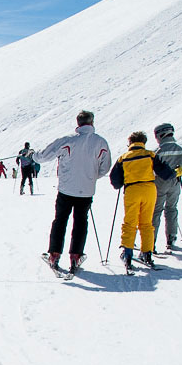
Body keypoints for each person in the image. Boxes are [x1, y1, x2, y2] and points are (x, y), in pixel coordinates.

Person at [32, 110, 112, 274]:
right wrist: (92, 177)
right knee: (81, 221)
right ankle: (75, 256)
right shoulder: (101, 142)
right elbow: (105, 166)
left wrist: (32, 155)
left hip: (66, 189)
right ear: (92, 122)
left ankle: (54, 254)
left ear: (78, 123)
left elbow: (45, 156)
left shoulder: (68, 140)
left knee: (60, 220)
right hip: (87, 190)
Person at [110, 131, 176, 270]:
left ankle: (127, 253)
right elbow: (165, 173)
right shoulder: (150, 155)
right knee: (146, 223)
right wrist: (177, 172)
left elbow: (115, 181)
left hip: (132, 190)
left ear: (130, 143)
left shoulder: (124, 158)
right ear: (143, 142)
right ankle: (147, 253)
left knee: (130, 222)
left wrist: (122, 181)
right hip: (149, 190)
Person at [150, 123, 182, 251]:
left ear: (160, 135)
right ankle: (171, 238)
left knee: (156, 211)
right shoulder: (180, 150)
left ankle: (151, 240)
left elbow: (152, 170)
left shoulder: (157, 152)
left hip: (159, 183)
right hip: (175, 182)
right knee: (171, 209)